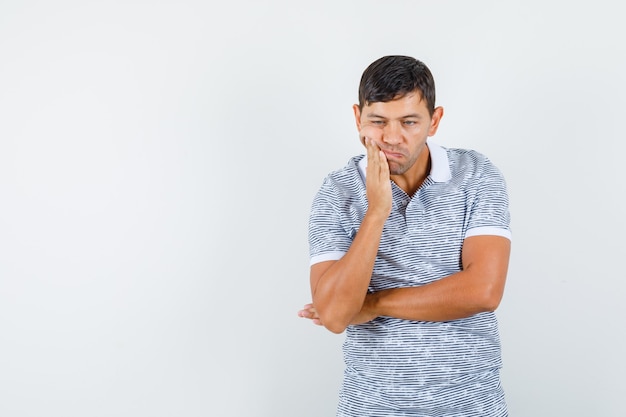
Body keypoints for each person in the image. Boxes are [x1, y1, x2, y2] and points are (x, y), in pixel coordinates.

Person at [298, 55, 512, 417]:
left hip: (471, 406)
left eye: (409, 122)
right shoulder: (337, 192)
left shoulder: (476, 175)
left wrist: (371, 304)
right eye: (378, 121)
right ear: (358, 119)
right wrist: (377, 212)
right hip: (371, 407)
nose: (392, 138)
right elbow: (335, 316)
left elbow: (484, 291)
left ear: (435, 120)